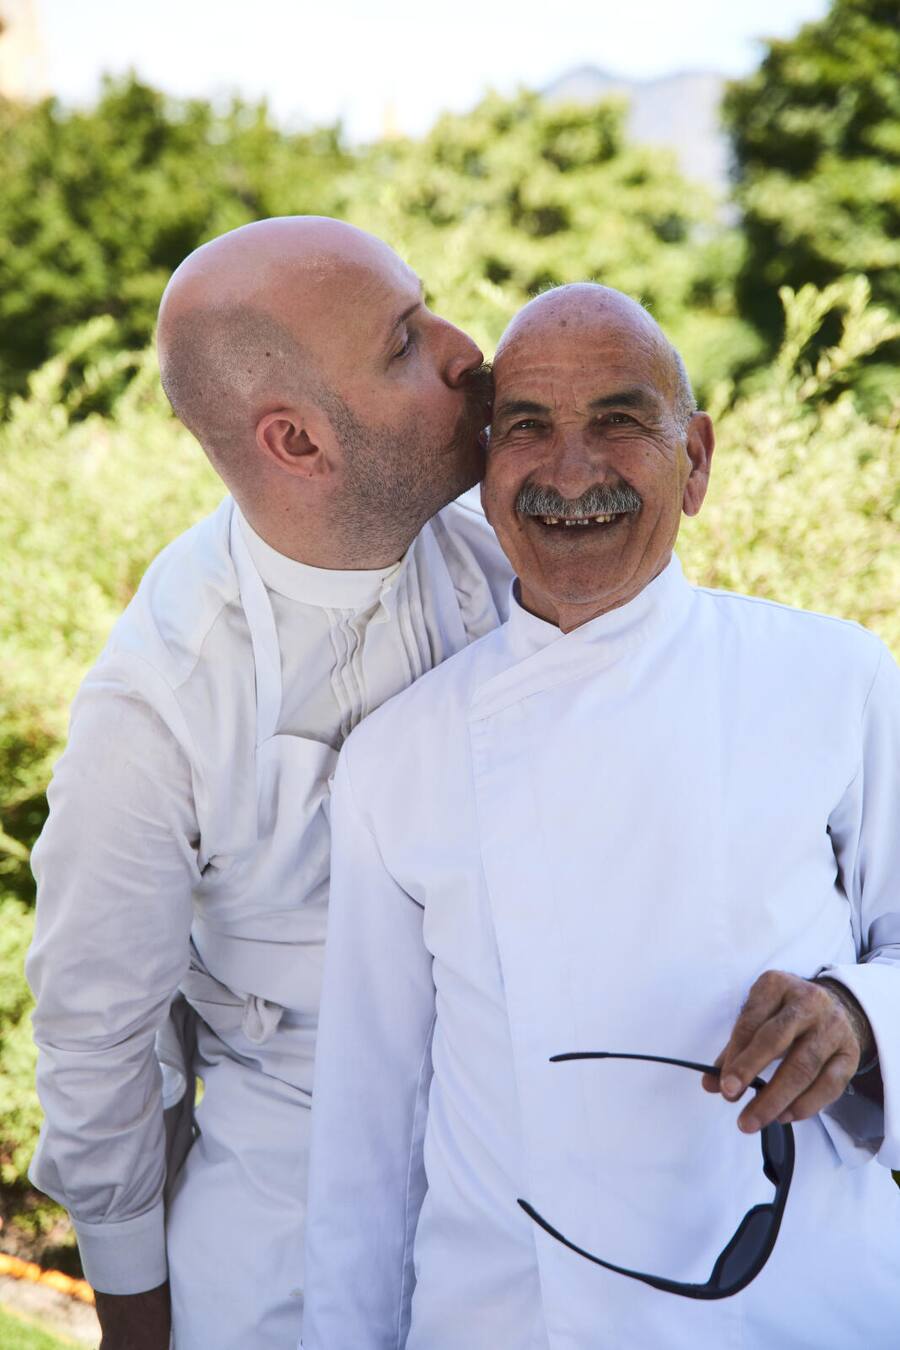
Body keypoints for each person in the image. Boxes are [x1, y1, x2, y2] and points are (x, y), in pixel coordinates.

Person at [302, 283, 900, 1349]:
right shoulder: (400, 754)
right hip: (511, 1317)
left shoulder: (837, 679)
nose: (570, 472)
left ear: (698, 460)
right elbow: (367, 1136)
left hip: (795, 1300)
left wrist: (858, 1017)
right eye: (526, 427)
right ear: (486, 475)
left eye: (620, 421)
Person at [26, 216, 512, 1350]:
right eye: (404, 344)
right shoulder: (157, 707)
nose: (465, 349)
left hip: (527, 1151)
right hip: (290, 1202)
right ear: (296, 443)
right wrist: (137, 1327)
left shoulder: (504, 558)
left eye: (428, 307)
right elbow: (100, 1039)